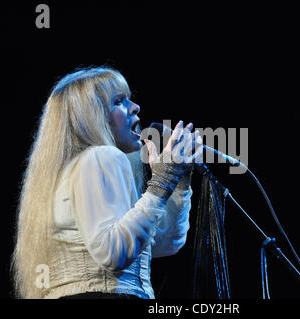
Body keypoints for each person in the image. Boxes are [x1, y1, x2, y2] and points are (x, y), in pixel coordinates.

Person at [11, 66, 203, 299]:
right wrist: (163, 181)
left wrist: (176, 182)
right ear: (92, 116)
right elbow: (113, 252)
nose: (135, 107)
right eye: (120, 101)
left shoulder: (68, 173)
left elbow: (162, 244)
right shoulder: (101, 157)